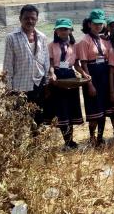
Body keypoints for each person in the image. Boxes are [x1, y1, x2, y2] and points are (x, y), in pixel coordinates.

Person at [3, 4, 50, 126]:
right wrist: (8, 88)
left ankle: (35, 145)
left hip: (38, 85)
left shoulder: (42, 37)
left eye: (33, 18)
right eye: (26, 18)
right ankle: (18, 145)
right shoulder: (11, 38)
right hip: (19, 87)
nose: (30, 21)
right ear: (20, 19)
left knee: (38, 120)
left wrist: (47, 83)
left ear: (37, 19)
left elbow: (46, 62)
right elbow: (8, 65)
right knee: (19, 121)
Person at [45, 18, 88, 149]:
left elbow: (76, 64)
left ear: (70, 30)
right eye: (61, 29)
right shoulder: (51, 45)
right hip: (58, 78)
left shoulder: (74, 46)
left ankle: (71, 140)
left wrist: (84, 73)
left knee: (70, 108)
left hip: (70, 76)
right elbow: (51, 63)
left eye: (66, 29)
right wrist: (52, 73)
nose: (64, 31)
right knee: (61, 109)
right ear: (56, 31)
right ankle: (67, 141)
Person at [77, 9, 110, 146]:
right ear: (89, 24)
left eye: (100, 24)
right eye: (95, 24)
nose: (98, 26)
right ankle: (92, 137)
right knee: (94, 111)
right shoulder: (84, 41)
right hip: (92, 75)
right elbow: (83, 64)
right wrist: (89, 83)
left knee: (102, 110)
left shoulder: (102, 39)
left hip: (104, 76)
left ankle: (100, 138)